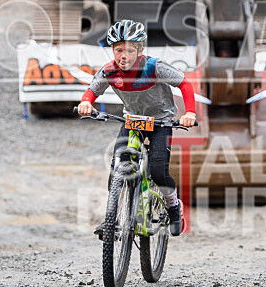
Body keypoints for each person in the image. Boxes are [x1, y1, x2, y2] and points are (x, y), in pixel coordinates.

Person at [77, 19, 197, 236]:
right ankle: (112, 218)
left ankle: (173, 207)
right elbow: (92, 90)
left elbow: (184, 84)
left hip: (160, 121)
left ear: (140, 50)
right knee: (118, 165)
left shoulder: (154, 68)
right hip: (132, 120)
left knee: (158, 172)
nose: (123, 56)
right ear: (112, 50)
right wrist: (86, 103)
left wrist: (189, 113)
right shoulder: (109, 71)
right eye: (118, 50)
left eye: (130, 51)